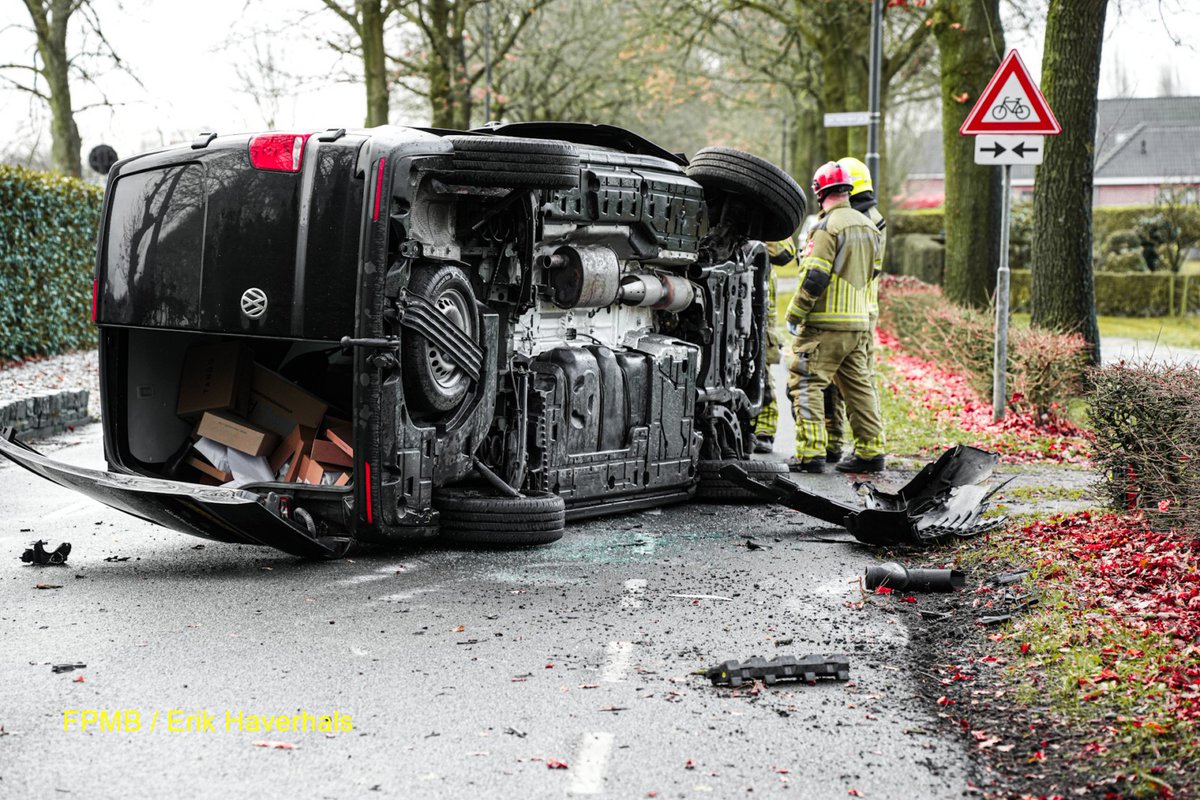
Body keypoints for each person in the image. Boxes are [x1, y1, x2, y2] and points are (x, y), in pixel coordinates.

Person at [784, 161, 887, 474]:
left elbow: (815, 276)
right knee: (859, 387)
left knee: (805, 382)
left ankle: (811, 453)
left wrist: (795, 312)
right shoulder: (871, 226)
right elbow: (875, 271)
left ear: (819, 192)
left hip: (824, 325)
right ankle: (871, 452)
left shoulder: (826, 227)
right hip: (858, 324)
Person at [822, 156, 889, 464]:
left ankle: (844, 444)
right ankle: (844, 444)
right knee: (850, 380)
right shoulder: (872, 219)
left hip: (845, 310)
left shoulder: (859, 222)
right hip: (861, 311)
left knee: (848, 381)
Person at [751, 237, 798, 454]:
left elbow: (785, 253)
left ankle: (764, 430)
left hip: (760, 308)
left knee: (761, 370)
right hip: (726, 295)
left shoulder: (770, 223)